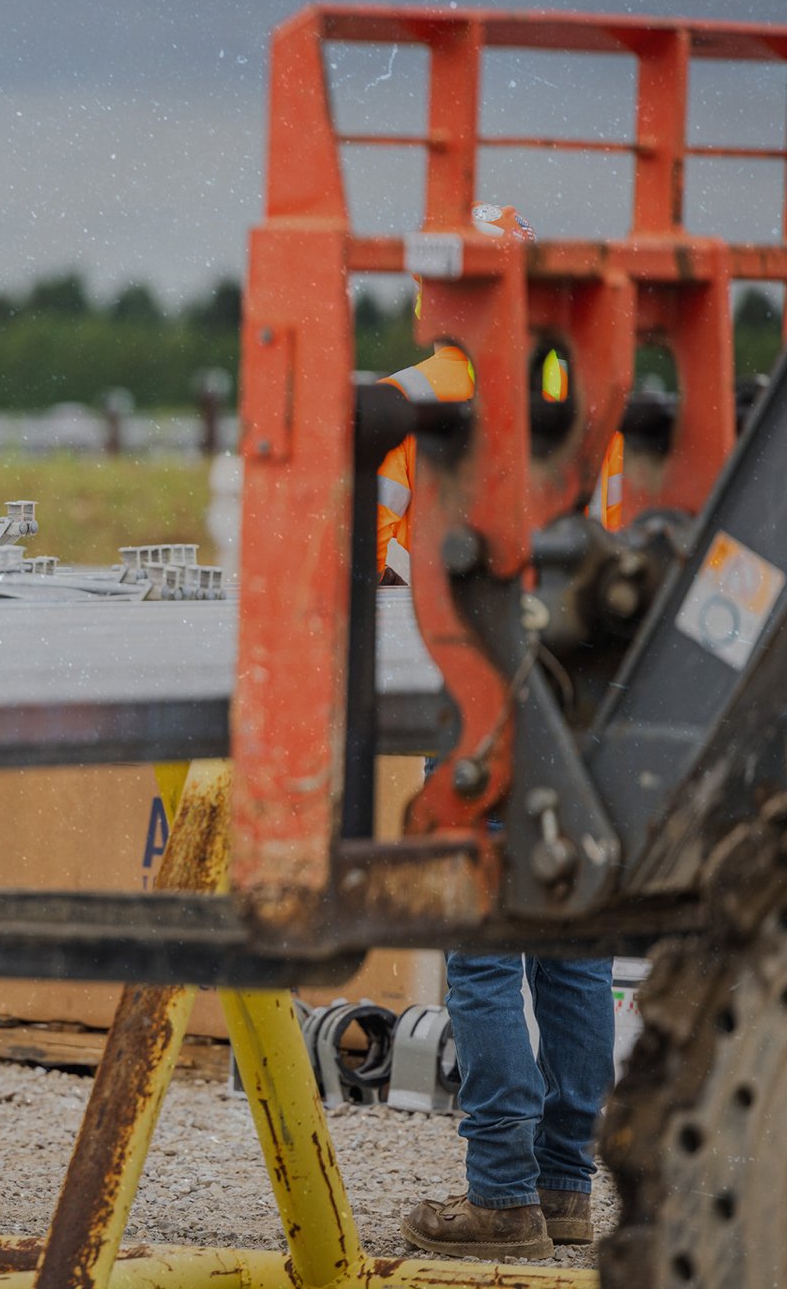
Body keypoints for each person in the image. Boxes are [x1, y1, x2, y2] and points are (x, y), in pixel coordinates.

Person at [388, 203, 619, 1262]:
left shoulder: (425, 394)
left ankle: (499, 1195)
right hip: (585, 690)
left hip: (480, 685)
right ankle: (566, 1186)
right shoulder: (591, 392)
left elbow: (382, 555)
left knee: (483, 942)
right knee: (570, 937)